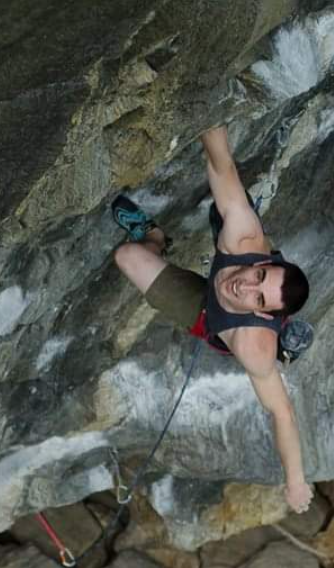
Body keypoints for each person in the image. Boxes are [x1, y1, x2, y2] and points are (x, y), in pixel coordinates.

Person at [111, 124, 313, 513]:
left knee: (126, 258)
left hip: (212, 319)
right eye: (258, 276)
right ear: (265, 262)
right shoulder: (246, 242)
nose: (245, 286)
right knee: (229, 208)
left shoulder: (253, 347)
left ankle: (286, 344)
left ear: (260, 311)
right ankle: (160, 236)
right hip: (229, 259)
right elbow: (223, 168)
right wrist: (210, 115)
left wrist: (296, 482)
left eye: (258, 297)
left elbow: (281, 413)